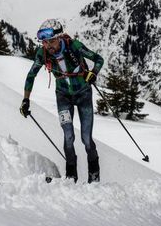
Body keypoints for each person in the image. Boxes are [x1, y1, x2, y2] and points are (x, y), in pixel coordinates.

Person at [20, 19, 104, 183]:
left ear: (59, 38)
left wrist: (93, 73)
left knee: (86, 139)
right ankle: (71, 176)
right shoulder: (42, 54)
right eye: (44, 42)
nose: (48, 45)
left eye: (51, 40)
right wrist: (25, 100)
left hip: (83, 94)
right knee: (68, 136)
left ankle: (94, 176)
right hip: (63, 96)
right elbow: (31, 75)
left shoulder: (75, 46)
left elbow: (99, 59)